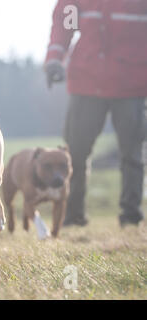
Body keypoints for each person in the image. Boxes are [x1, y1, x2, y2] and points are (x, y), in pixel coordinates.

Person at [44, 0, 147, 227]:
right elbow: (65, 23)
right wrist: (53, 59)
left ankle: (131, 218)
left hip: (132, 82)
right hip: (87, 81)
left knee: (132, 154)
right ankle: (73, 217)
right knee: (75, 153)